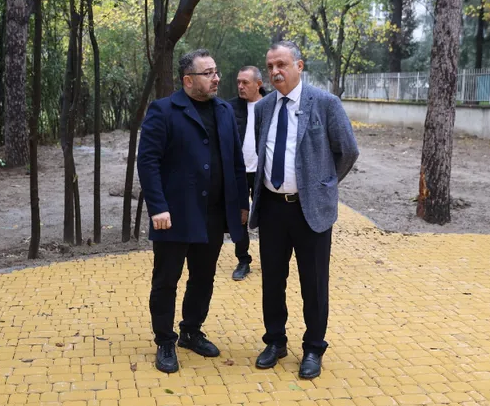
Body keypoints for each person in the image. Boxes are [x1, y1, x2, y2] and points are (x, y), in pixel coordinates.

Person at [249, 41, 359, 379]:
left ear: (299, 66)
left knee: (314, 282)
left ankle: (313, 347)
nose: (275, 71)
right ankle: (275, 341)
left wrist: (323, 184)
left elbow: (348, 151)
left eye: (281, 64)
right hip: (272, 209)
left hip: (310, 210)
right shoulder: (263, 107)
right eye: (270, 66)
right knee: (272, 280)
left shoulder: (325, 103)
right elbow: (263, 153)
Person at [138, 48, 250, 374]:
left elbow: (236, 161)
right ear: (188, 80)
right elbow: (148, 162)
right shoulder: (164, 110)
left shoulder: (224, 111)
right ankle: (165, 340)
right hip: (174, 215)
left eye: (216, 71)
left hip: (213, 214)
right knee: (166, 280)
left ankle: (191, 331)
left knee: (203, 277)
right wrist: (157, 207)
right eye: (208, 73)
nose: (216, 78)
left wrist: (241, 204)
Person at [228, 66, 267, 280]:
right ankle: (243, 260)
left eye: (245, 82)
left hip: (264, 173)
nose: (240, 86)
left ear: (258, 84)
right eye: (238, 82)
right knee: (239, 217)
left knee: (268, 217)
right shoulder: (230, 108)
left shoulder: (271, 104)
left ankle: (271, 259)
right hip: (239, 173)